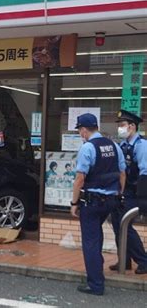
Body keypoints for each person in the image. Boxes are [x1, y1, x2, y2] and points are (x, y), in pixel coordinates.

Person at [70, 113, 126, 296]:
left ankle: (95, 284)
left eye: (80, 130)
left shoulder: (88, 148)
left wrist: (74, 202)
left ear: (85, 130)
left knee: (91, 242)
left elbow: (79, 179)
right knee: (97, 237)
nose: (80, 134)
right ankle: (97, 272)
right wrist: (119, 194)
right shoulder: (114, 145)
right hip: (111, 200)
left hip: (93, 203)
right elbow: (122, 173)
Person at [109, 110, 147, 274]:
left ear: (132, 126)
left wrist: (143, 197)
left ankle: (143, 260)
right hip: (122, 192)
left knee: (126, 227)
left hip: (135, 192)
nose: (120, 128)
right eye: (119, 125)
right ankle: (124, 260)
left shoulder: (142, 146)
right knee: (118, 226)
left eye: (123, 125)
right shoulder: (123, 146)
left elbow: (145, 172)